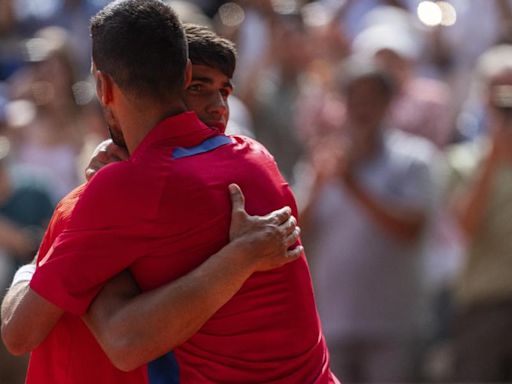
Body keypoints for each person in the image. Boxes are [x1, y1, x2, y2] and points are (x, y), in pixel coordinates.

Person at [3, 2, 336, 383]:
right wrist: (238, 258)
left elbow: (20, 332)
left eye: (224, 91)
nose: (218, 106)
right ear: (186, 74)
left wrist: (35, 265)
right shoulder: (257, 160)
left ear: (102, 86)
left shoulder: (113, 193)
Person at [298, 58, 434, 383]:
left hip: (393, 323)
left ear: (389, 102)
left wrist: (352, 184)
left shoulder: (414, 159)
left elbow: (410, 229)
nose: (362, 108)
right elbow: (296, 232)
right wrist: (317, 186)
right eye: (354, 98)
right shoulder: (322, 160)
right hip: (333, 322)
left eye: (371, 99)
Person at [445, 44, 512, 383]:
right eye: (500, 94)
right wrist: (493, 159)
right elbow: (464, 228)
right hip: (484, 305)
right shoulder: (463, 161)